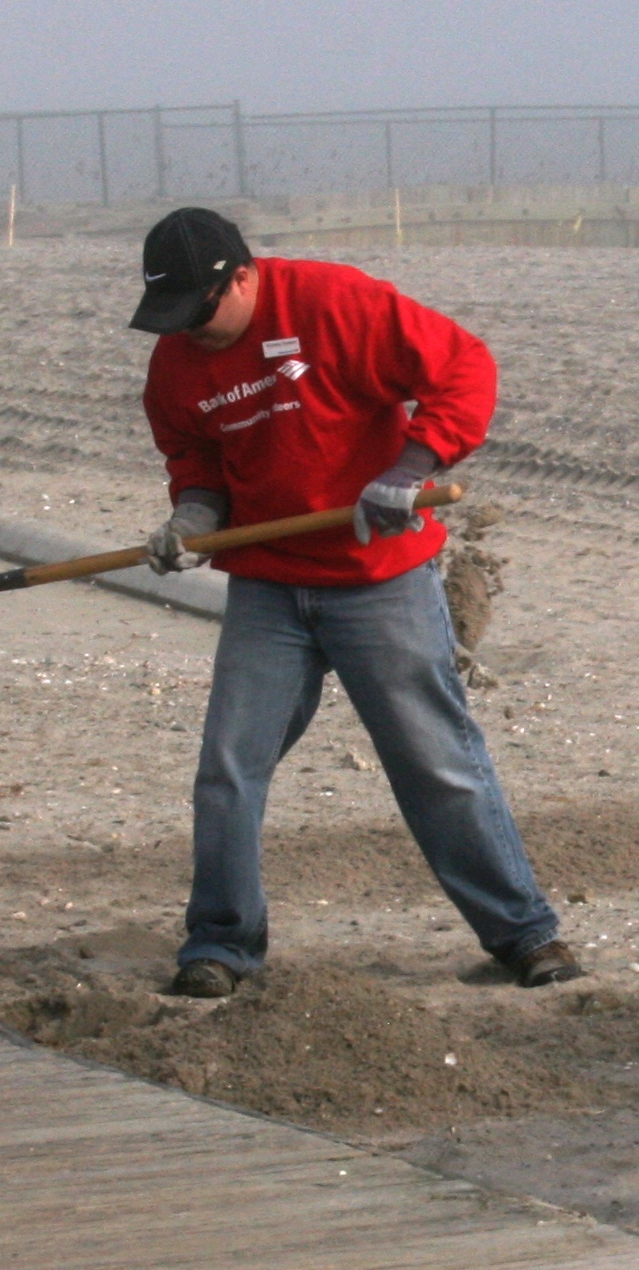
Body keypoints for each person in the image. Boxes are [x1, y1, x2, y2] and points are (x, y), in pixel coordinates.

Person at [128, 206, 576, 1001]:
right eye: (174, 321)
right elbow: (192, 454)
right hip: (267, 582)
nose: (189, 335)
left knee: (436, 763)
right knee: (228, 768)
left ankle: (524, 934)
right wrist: (193, 516)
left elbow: (464, 366)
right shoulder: (175, 362)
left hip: (380, 579)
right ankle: (221, 944)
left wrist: (410, 465)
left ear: (241, 276)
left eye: (201, 314)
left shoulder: (333, 304)